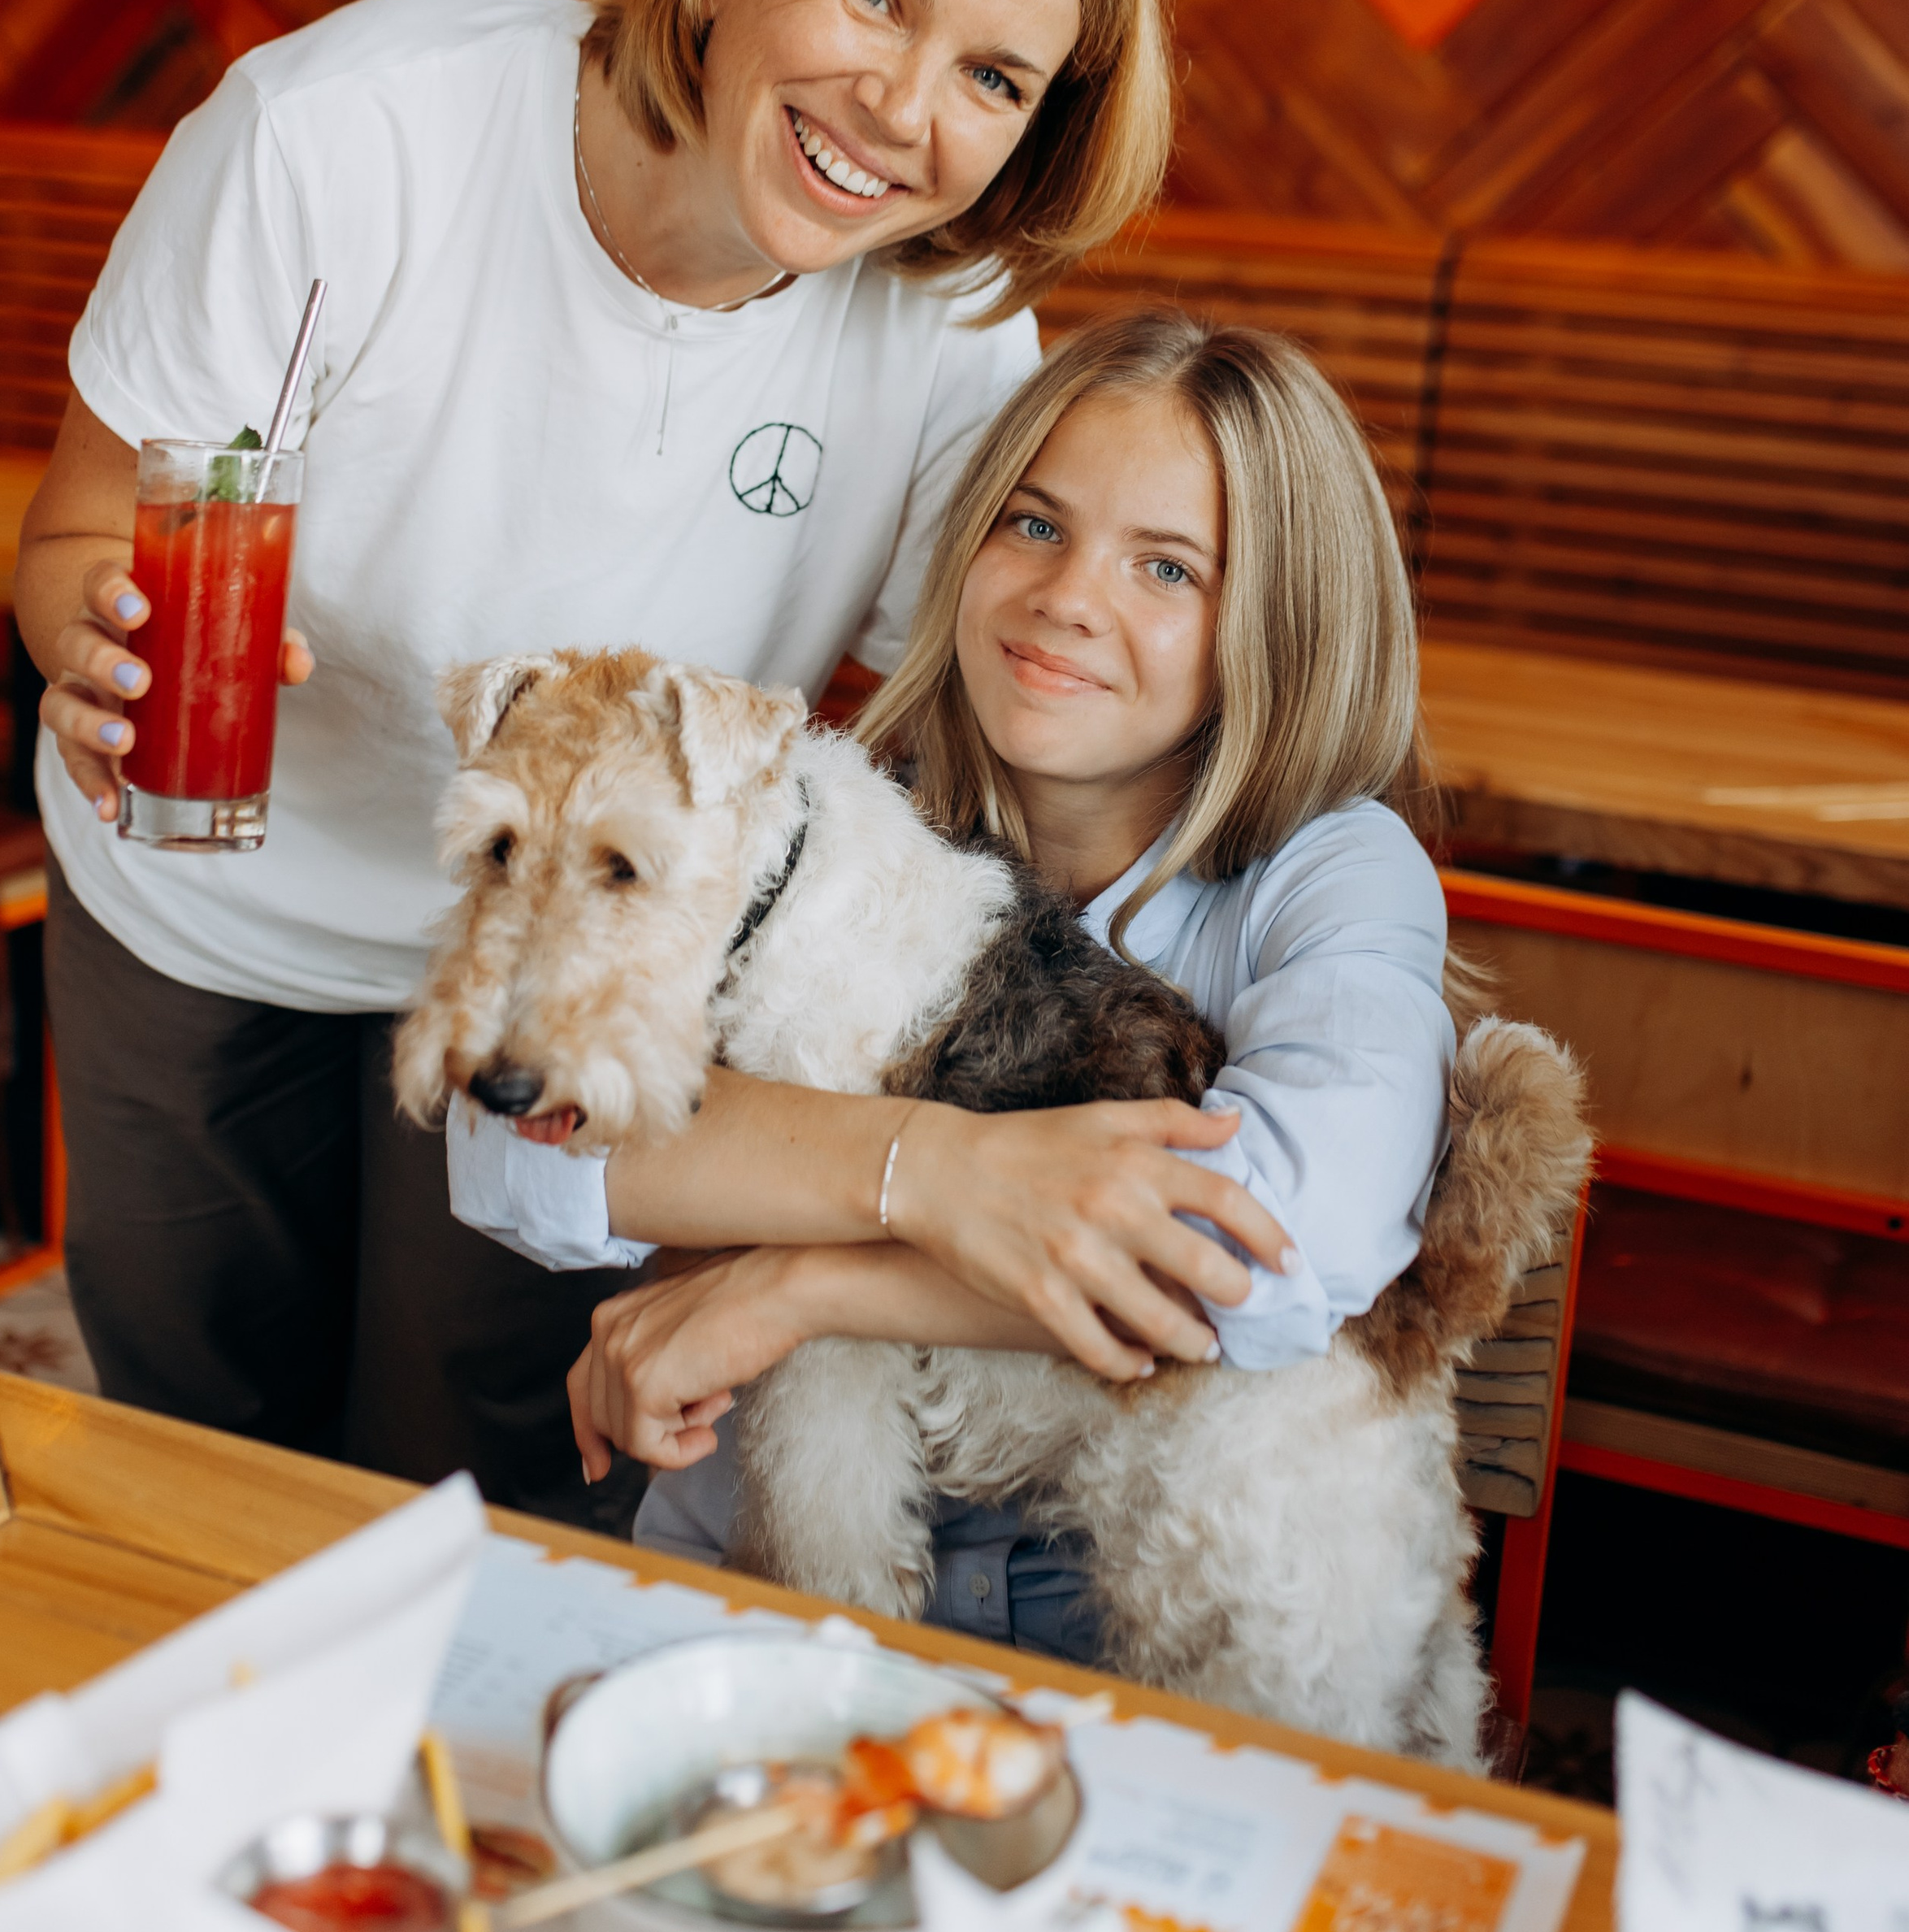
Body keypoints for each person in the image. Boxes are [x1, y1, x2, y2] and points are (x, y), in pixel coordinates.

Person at [12, 0, 1174, 1509]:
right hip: (201, 888)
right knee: (195, 1447)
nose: (900, 110)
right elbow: (85, 528)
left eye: (995, 78)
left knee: (482, 1476)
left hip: (585, 964)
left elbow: (998, 722)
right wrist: (94, 630)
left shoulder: (947, 334)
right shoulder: (349, 137)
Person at [480, 311, 1454, 1653]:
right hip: (767, 1563)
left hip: (1118, 1601)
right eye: (1035, 525)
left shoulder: (1332, 872)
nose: (1066, 597)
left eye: (1167, 568)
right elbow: (515, 1150)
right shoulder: (822, 806)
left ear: (1277, 625)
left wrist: (794, 1284)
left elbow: (1275, 1240)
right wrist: (927, 1175)